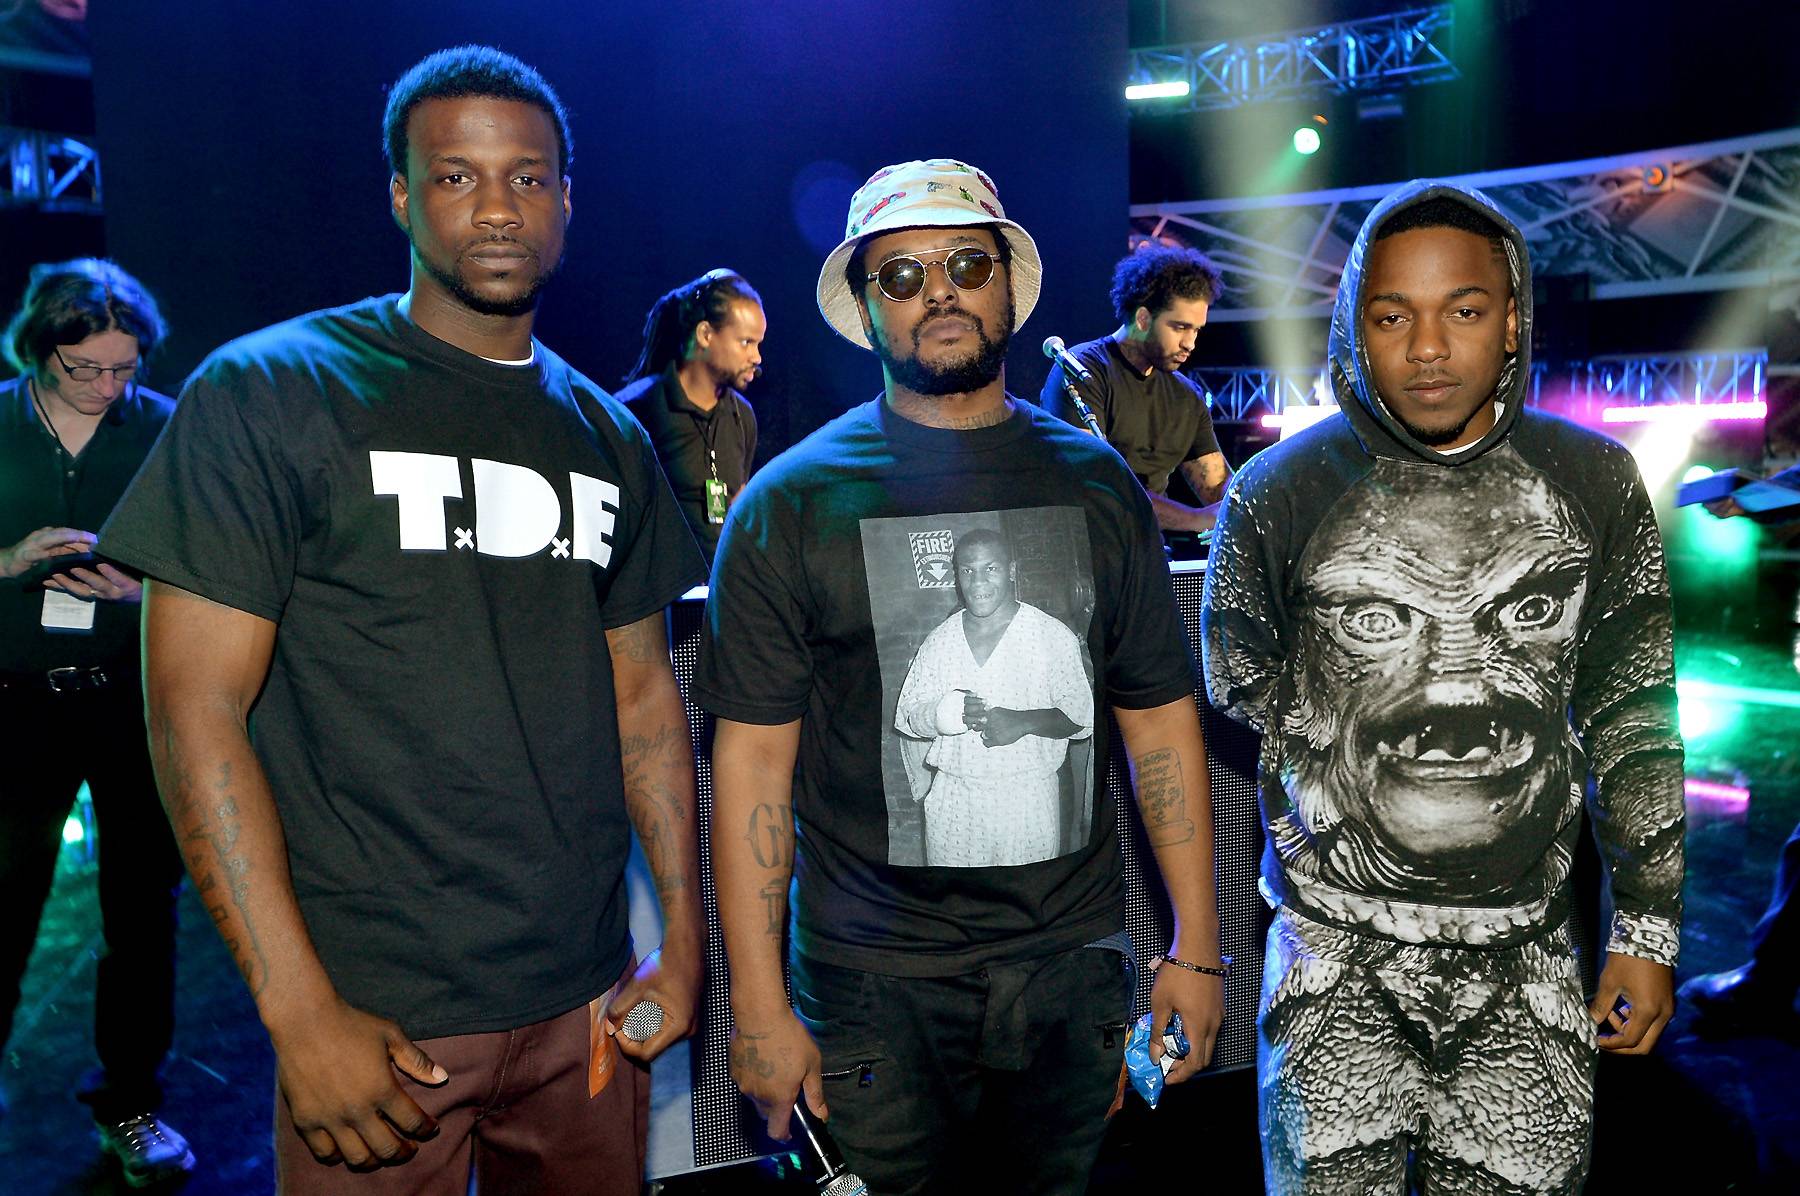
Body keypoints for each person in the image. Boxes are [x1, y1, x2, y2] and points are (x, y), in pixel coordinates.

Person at [97, 46, 707, 1193]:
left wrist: (683, 940)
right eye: (455, 176)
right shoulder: (275, 390)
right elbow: (194, 707)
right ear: (399, 194)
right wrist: (298, 1008)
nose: (495, 207)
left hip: (586, 1003)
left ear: (567, 200)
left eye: (527, 178)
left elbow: (643, 702)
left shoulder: (606, 435)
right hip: (374, 1014)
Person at [697, 158, 1225, 1195]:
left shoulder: (1095, 484)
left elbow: (1157, 724)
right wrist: (758, 1009)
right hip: (868, 986)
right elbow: (752, 767)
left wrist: (1198, 951)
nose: (937, 290)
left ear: (1006, 287)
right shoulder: (788, 502)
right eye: (900, 274)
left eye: (964, 263)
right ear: (866, 304)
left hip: (1072, 969)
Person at [1201, 183, 1686, 1195]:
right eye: (1393, 315)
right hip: (1328, 961)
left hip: (1533, 956)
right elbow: (1241, 680)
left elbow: (1633, 712)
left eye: (1462, 310)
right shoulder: (1277, 493)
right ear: (1354, 323)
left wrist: (1647, 929)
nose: (1428, 346)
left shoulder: (1593, 480)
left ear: (1510, 318)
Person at [0, 259, 193, 1186]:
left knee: (141, 917)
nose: (111, 387)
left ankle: (132, 1106)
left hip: (128, 696)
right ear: (42, 349)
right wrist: (6, 561)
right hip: (12, 705)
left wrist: (144, 586)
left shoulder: (164, 427)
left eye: (126, 368)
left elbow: (217, 567)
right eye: (88, 370)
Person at [893, 528, 1094, 867]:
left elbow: (1082, 717)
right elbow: (908, 718)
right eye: (967, 570)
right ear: (957, 575)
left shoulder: (1050, 636)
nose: (978, 581)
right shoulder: (939, 642)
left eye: (991, 568)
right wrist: (943, 713)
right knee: (958, 912)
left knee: (1023, 911)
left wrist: (1024, 721)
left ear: (1012, 570)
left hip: (1026, 802)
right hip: (954, 804)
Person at [1041, 245, 1232, 534]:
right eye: (1180, 327)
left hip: (1151, 556)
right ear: (1143, 318)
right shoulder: (1082, 371)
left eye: (1196, 330)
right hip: (1085, 550)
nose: (1190, 344)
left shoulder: (1187, 397)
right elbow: (1093, 482)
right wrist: (1195, 519)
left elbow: (1219, 488)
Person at [618, 269, 764, 562]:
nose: (757, 357)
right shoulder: (638, 410)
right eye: (746, 342)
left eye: (758, 344)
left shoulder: (742, 416)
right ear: (706, 334)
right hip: (663, 600)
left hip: (723, 596)